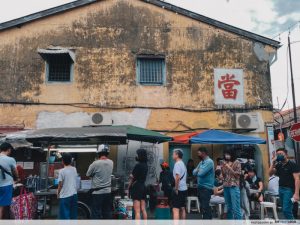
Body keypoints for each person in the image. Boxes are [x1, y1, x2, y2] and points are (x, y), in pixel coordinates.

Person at [269, 148, 300, 219]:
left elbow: (297, 179)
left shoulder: (292, 165)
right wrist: (273, 163)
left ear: (286, 155)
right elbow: (270, 174)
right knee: (285, 210)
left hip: (289, 190)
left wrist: (296, 193)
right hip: (281, 189)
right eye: (278, 154)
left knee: (286, 210)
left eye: (281, 154)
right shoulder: (279, 165)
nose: (279, 155)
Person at [86, 144, 113, 219]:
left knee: (96, 213)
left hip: (97, 193)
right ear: (107, 153)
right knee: (107, 213)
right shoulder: (111, 162)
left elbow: (88, 174)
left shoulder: (95, 163)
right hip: (108, 192)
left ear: (99, 153)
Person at [193, 147, 214, 219]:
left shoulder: (209, 162)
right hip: (200, 188)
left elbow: (201, 173)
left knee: (205, 207)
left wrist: (198, 170)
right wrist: (198, 170)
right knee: (203, 207)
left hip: (206, 188)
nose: (198, 155)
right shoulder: (201, 162)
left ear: (203, 153)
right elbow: (193, 172)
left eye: (199, 153)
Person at [221, 150, 243, 220]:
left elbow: (237, 175)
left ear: (232, 154)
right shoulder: (226, 162)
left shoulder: (237, 162)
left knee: (236, 207)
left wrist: (229, 167)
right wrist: (222, 168)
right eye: (226, 154)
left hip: (233, 186)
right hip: (226, 186)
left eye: (228, 154)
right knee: (228, 207)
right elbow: (224, 176)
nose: (226, 156)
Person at [128, 149, 148, 220]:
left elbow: (132, 178)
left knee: (137, 211)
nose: (136, 156)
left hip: (137, 187)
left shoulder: (138, 165)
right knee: (143, 209)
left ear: (140, 156)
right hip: (143, 186)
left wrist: (128, 188)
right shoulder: (146, 165)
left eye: (137, 154)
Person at [0, 142, 18, 219]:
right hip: (6, 185)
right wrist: (17, 179)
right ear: (9, 149)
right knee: (2, 207)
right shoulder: (11, 159)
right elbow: (15, 172)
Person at [57, 153, 78, 220]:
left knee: (65, 216)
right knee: (73, 215)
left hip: (65, 196)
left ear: (62, 161)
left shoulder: (61, 171)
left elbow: (60, 185)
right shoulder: (74, 169)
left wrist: (58, 193)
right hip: (74, 195)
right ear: (71, 161)